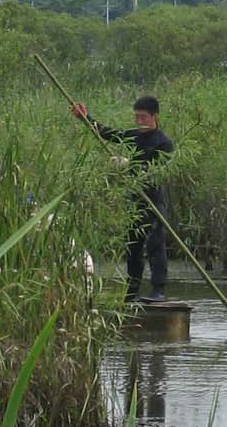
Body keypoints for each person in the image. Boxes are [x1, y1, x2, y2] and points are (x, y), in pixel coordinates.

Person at [70, 95, 174, 303]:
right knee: (133, 246)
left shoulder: (164, 143)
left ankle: (158, 291)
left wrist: (129, 165)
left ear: (154, 116)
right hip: (136, 199)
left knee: (155, 244)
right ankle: (132, 291)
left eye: (143, 117)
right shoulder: (135, 136)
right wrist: (85, 118)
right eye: (136, 117)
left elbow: (159, 171)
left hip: (154, 199)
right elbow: (108, 133)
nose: (139, 121)